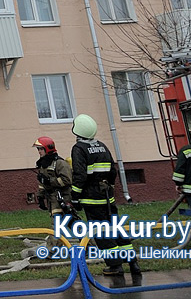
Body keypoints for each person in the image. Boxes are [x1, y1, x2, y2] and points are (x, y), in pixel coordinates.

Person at [70, 114, 141, 280]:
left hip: (91, 199)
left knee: (101, 232)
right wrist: (109, 187)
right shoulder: (102, 146)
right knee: (117, 229)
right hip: (107, 197)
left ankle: (115, 266)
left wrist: (75, 197)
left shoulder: (79, 148)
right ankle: (133, 263)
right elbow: (113, 171)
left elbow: (80, 175)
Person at [32, 136, 72, 218]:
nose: (39, 151)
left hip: (63, 198)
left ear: (48, 148)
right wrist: (40, 196)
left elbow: (67, 180)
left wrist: (49, 181)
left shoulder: (60, 163)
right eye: (38, 149)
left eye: (41, 149)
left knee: (62, 222)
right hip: (52, 199)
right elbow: (42, 184)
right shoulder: (43, 164)